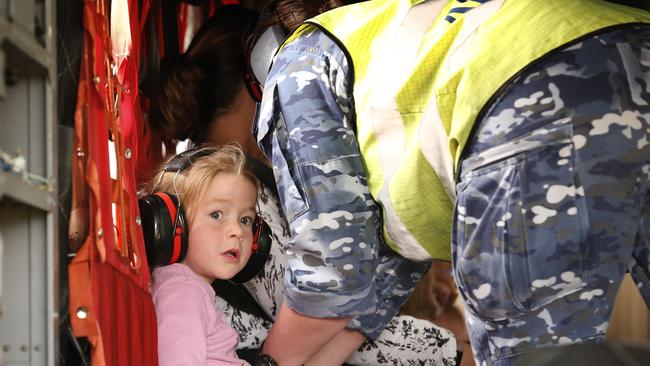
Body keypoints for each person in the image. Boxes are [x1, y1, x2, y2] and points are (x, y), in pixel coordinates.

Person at [253, 0, 650, 365]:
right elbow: (382, 265)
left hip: (538, 92)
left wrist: (265, 362)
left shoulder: (297, 61)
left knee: (537, 353)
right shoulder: (393, 36)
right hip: (634, 41)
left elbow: (334, 266)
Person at [151, 3, 460, 365]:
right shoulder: (230, 188)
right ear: (260, 79)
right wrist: (444, 345)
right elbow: (329, 293)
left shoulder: (221, 183)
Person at [143, 145, 260, 365]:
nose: (237, 231)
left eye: (246, 220)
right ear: (172, 226)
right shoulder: (181, 294)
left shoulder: (191, 288)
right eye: (217, 214)